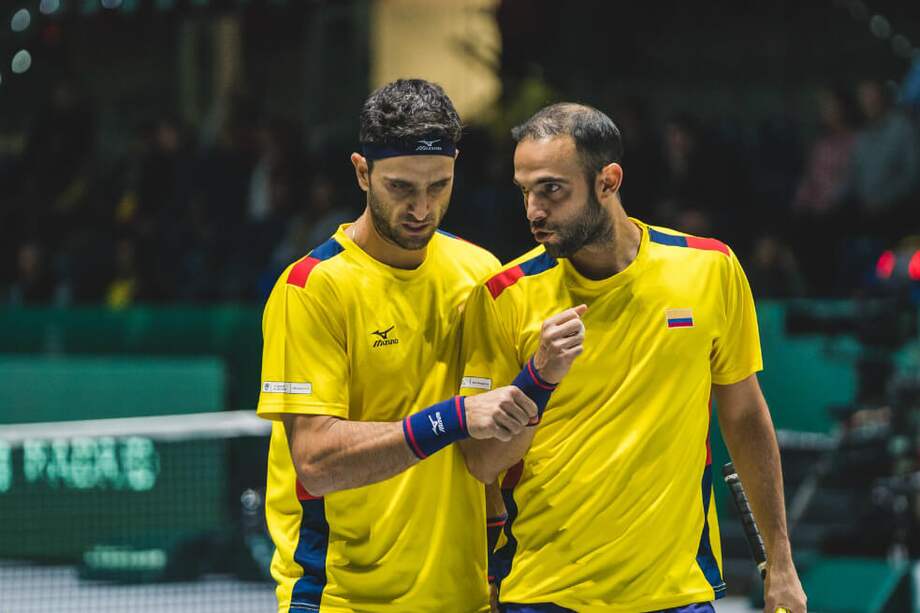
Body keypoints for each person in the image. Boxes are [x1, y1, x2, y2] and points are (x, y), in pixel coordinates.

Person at [458, 103, 807, 613]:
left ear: (608, 181)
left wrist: (781, 562)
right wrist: (537, 378)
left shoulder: (709, 269)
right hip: (543, 594)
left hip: (676, 593)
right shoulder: (503, 296)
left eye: (552, 189)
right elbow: (482, 461)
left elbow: (745, 418)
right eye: (525, 191)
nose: (534, 210)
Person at [256, 79, 581, 613]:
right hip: (342, 599)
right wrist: (451, 418)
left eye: (439, 185)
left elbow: (490, 458)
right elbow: (315, 461)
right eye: (401, 187)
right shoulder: (312, 288)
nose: (422, 208)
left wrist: (500, 567)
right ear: (363, 172)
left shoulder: (481, 274)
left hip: (467, 597)